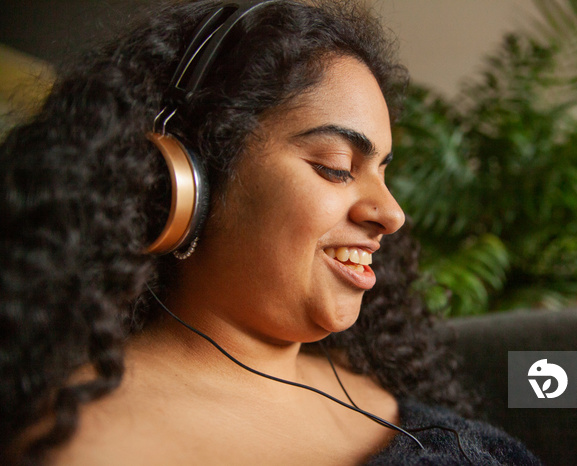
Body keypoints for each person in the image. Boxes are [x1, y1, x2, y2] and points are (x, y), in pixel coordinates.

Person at [0, 1, 540, 464]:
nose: (391, 213)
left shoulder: (370, 377)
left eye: (384, 171)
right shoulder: (96, 447)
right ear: (179, 184)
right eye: (335, 165)